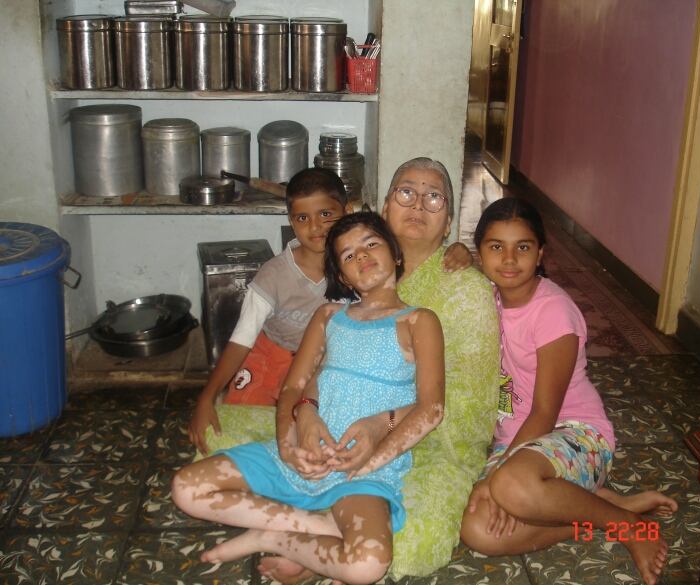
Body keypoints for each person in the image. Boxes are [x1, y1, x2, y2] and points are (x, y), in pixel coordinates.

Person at [199, 157, 500, 581]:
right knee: (219, 437)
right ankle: (318, 532)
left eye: (434, 197)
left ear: (449, 219)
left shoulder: (464, 285)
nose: (417, 204)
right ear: (383, 208)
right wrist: (304, 413)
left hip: (427, 442)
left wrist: (386, 429)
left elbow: (460, 406)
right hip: (331, 420)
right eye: (405, 192)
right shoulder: (355, 270)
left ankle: (304, 534)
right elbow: (320, 370)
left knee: (411, 545)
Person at [172, 212, 445, 585]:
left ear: (395, 253)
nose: (361, 256)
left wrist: (366, 463)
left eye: (370, 244)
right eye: (348, 256)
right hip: (305, 453)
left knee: (366, 566)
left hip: (365, 471)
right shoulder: (329, 315)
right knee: (186, 489)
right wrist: (292, 438)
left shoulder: (418, 321)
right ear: (342, 277)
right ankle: (314, 527)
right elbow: (292, 388)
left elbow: (432, 408)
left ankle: (275, 537)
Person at [459, 198, 678, 585]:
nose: (509, 259)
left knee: (509, 488)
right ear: (481, 254)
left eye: (522, 247)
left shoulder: (553, 313)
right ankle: (600, 509)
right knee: (476, 530)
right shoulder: (487, 297)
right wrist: (456, 253)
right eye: (496, 247)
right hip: (521, 446)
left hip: (577, 436)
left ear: (541, 253)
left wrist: (495, 480)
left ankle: (628, 526)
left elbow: (544, 414)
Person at [188, 168, 351, 455]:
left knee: (320, 433)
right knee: (235, 427)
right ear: (291, 221)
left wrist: (459, 251)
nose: (316, 227)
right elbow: (241, 340)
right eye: (303, 218)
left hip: (324, 364)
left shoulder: (356, 266)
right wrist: (206, 397)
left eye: (326, 214)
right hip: (270, 357)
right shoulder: (272, 275)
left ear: (347, 212)